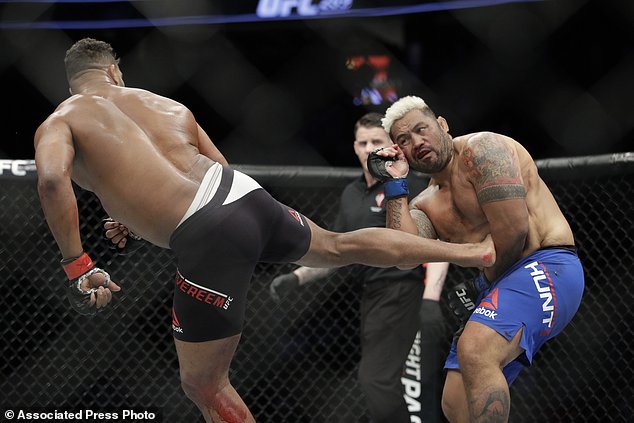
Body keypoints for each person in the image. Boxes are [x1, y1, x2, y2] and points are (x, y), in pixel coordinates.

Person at [34, 39, 494, 423]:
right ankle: (472, 252)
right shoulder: (167, 105)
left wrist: (78, 264)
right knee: (338, 245)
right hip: (242, 196)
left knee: (203, 384)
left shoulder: (63, 118)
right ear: (115, 72)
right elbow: (215, 172)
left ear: (74, 81)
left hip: (206, 231)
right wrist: (139, 216)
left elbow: (54, 180)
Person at [371, 96, 584, 423]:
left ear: (441, 124)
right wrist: (394, 184)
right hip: (500, 285)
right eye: (404, 140)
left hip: (547, 265)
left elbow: (514, 231)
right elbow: (404, 255)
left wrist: (481, 283)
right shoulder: (426, 203)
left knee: (475, 350)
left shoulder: (482, 151)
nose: (416, 142)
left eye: (421, 129)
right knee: (456, 404)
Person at [269, 112, 449, 423]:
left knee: (388, 382)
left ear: (390, 147)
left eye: (376, 142)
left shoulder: (409, 184)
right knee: (378, 383)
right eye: (363, 142)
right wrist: (297, 277)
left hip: (407, 291)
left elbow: (434, 242)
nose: (369, 149)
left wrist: (431, 298)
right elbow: (338, 252)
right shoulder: (351, 194)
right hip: (371, 298)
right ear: (354, 147)